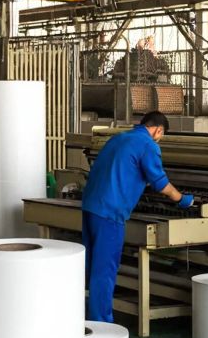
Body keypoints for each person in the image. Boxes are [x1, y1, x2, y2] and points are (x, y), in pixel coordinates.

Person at [80, 111, 195, 322]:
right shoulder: (148, 145)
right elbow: (161, 184)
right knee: (104, 272)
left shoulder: (119, 138)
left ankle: (83, 321)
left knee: (89, 267)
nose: (160, 139)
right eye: (162, 135)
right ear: (158, 129)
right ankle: (102, 327)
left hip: (91, 207)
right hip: (110, 213)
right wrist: (182, 199)